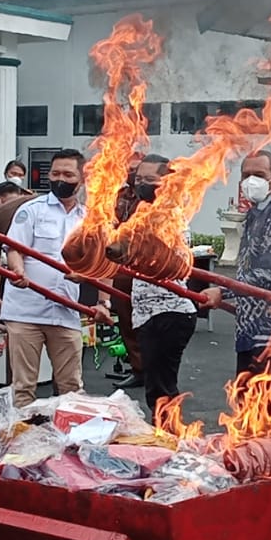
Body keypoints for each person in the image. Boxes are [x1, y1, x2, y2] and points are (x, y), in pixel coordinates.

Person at [4, 149, 106, 407]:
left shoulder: (89, 220)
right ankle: (22, 441)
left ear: (81, 180)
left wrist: (102, 300)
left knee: (71, 386)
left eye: (68, 174)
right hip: (25, 311)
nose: (60, 178)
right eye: (55, 173)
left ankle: (69, 439)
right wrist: (18, 271)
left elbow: (104, 265)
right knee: (24, 388)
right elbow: (14, 248)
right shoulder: (31, 211)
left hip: (66, 311)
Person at [201, 150, 271, 388]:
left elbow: (270, 273)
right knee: (247, 410)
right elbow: (248, 267)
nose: (251, 181)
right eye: (246, 175)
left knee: (268, 414)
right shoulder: (254, 213)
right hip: (252, 330)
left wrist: (223, 291)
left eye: (259, 174)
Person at [123, 155, 199, 414]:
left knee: (161, 387)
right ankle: (163, 435)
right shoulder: (144, 213)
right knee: (154, 385)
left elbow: (170, 262)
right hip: (147, 312)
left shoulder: (169, 214)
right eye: (139, 178)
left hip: (170, 311)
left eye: (149, 179)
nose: (141, 184)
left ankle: (168, 438)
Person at [109, 152, 147, 389]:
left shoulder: (155, 198)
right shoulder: (120, 196)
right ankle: (138, 368)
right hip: (122, 265)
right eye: (129, 169)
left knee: (147, 322)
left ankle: (152, 368)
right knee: (126, 318)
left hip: (146, 266)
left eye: (136, 169)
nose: (131, 173)